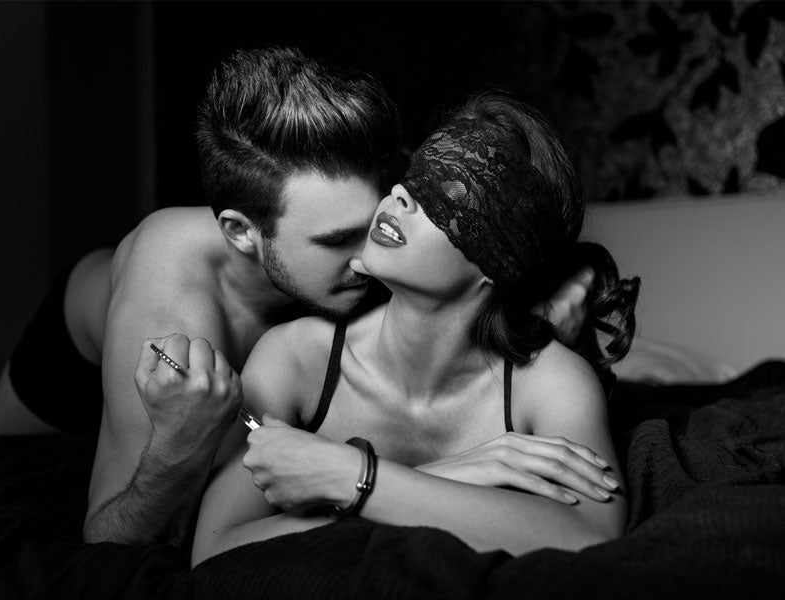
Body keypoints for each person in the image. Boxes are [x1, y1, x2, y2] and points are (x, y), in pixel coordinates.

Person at [0, 47, 597, 546]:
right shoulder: (174, 294)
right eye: (336, 241)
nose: (367, 256)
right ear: (243, 233)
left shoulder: (377, 194)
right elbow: (116, 537)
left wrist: (549, 286)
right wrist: (179, 446)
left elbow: (490, 228)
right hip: (71, 361)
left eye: (375, 223)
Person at [188, 89, 640, 567]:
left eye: (444, 197)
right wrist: (442, 476)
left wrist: (349, 477)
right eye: (413, 179)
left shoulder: (551, 382)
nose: (399, 195)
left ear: (499, 260)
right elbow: (211, 550)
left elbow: (593, 534)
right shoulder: (297, 358)